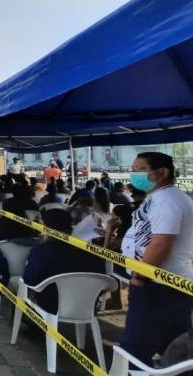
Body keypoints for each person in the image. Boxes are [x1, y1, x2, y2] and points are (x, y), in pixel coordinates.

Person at [120, 152, 193, 364]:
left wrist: (140, 276)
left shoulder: (168, 201)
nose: (134, 174)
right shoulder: (160, 197)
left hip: (157, 284)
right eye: (133, 169)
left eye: (141, 169)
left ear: (162, 172)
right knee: (172, 344)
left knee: (135, 348)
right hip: (160, 283)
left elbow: (161, 244)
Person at [22, 209, 105, 313]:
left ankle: (28, 320)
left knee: (23, 289)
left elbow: (29, 280)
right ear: (70, 229)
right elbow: (102, 280)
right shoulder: (88, 252)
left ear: (46, 228)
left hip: (52, 306)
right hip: (85, 305)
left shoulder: (41, 251)